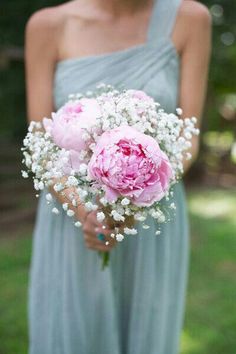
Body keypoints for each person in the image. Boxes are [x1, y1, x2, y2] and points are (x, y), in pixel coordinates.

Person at [25, 0, 211, 353]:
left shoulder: (191, 20)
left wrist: (138, 197)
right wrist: (84, 212)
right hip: (72, 219)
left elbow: (189, 136)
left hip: (150, 217)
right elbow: (39, 139)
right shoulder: (46, 26)